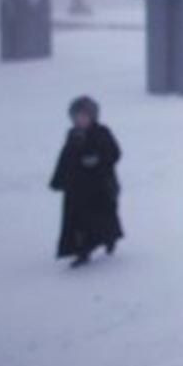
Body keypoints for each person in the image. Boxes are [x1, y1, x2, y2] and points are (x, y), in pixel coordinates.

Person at [50, 95, 123, 268]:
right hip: (77, 188)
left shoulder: (102, 132)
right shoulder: (73, 135)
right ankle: (82, 251)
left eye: (84, 116)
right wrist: (59, 179)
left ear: (92, 116)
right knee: (78, 221)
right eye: (77, 117)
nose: (80, 120)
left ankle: (109, 239)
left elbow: (114, 153)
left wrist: (97, 159)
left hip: (100, 187)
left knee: (102, 218)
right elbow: (65, 158)